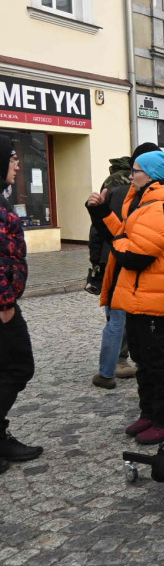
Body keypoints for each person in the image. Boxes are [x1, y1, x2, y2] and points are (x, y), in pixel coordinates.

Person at [87, 149, 164, 445]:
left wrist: (118, 241)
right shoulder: (143, 201)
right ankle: (151, 412)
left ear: (152, 176)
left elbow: (134, 256)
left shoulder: (160, 205)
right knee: (143, 359)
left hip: (154, 298)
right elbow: (123, 237)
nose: (131, 176)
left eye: (136, 171)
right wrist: (100, 212)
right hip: (139, 295)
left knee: (158, 362)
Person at [87, 145, 160, 389]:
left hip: (114, 259)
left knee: (117, 318)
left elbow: (97, 229)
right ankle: (159, 364)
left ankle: (108, 371)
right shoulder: (141, 196)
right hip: (129, 261)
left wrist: (96, 261)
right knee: (151, 316)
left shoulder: (118, 192)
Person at [0, 141, 45, 474]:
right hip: (2, 306)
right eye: (12, 159)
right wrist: (4, 302)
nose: (17, 166)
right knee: (18, 367)